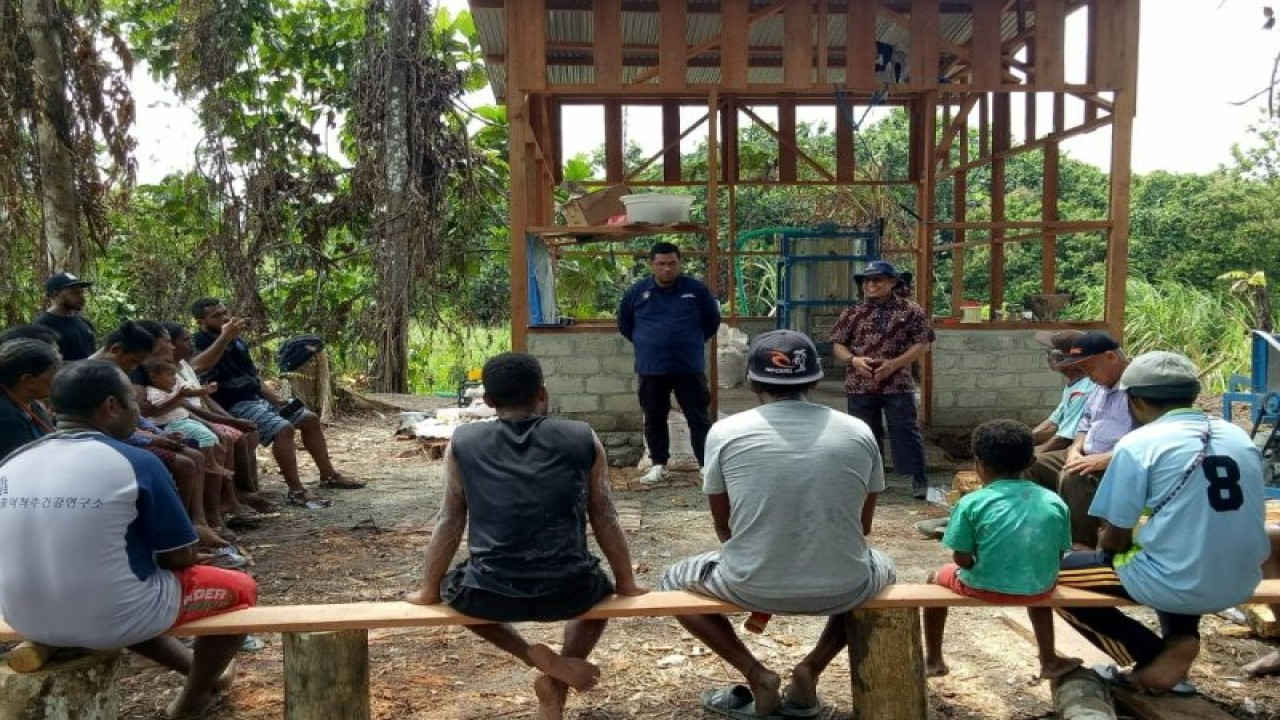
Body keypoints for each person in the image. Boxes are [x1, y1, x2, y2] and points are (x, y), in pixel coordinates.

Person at [658, 330, 895, 719]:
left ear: (752, 381)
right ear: (816, 380)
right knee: (881, 566)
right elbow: (863, 526)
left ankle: (756, 674)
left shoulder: (724, 433)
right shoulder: (858, 431)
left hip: (750, 584)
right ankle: (811, 668)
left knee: (671, 580)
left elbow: (725, 526)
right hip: (844, 586)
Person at [0, 360, 257, 719]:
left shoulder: (12, 462)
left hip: (22, 615)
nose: (138, 413)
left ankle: (192, 671)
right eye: (133, 404)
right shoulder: (135, 461)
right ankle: (194, 699)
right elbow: (178, 557)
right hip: (108, 612)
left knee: (117, 585)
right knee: (239, 587)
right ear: (111, 406)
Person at [405, 352, 645, 720]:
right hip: (570, 589)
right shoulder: (582, 436)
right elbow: (605, 514)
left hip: (491, 591)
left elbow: (450, 520)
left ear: (487, 402)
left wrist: (428, 590)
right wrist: (626, 583)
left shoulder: (463, 442)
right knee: (602, 588)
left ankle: (532, 655)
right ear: (542, 394)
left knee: (454, 593)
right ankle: (561, 672)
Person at [1056, 351, 1268, 693]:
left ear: (1134, 401)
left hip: (1179, 580)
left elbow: (1115, 540)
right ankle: (1181, 637)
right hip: (1240, 579)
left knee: (1049, 580)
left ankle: (1153, 657)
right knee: (1178, 543)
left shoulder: (1138, 444)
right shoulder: (1238, 437)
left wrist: (1104, 548)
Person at [923, 419, 1080, 680]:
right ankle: (1049, 659)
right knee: (1035, 582)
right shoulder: (1054, 501)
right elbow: (1059, 553)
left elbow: (961, 560)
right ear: (1031, 462)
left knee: (932, 579)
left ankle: (934, 660)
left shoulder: (972, 502)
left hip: (984, 587)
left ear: (978, 464)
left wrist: (979, 567)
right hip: (1040, 586)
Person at [189, 297, 362, 508]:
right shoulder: (199, 342)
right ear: (200, 322)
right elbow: (197, 368)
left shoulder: (237, 339)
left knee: (309, 419)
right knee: (283, 429)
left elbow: (252, 377)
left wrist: (276, 399)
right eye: (216, 316)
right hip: (233, 404)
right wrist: (225, 337)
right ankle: (296, 491)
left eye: (225, 312)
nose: (224, 318)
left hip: (255, 397)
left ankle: (329, 475)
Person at [829, 260, 933, 499]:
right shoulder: (853, 312)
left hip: (897, 383)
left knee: (905, 431)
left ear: (892, 282)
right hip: (860, 383)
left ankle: (917, 480)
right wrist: (853, 361)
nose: (871, 284)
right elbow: (838, 345)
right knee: (864, 433)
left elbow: (923, 345)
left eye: (877, 279)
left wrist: (894, 364)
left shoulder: (911, 311)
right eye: (867, 280)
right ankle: (869, 480)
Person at [618, 242, 720, 485]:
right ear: (651, 265)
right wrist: (649, 342)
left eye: (671, 263)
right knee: (654, 418)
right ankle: (658, 465)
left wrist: (689, 342)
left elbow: (711, 322)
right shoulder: (637, 292)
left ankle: (705, 465)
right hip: (652, 368)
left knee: (698, 417)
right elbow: (625, 325)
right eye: (661, 264)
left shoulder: (696, 291)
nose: (666, 269)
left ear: (679, 263)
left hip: (688, 366)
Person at [1025, 331, 1134, 546]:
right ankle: (1046, 528)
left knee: (1072, 477)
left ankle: (1082, 543)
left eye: (1089, 367)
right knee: (1031, 465)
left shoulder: (1137, 390)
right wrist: (1076, 450)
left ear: (1111, 357)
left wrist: (1103, 459)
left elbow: (1146, 439)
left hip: (1118, 459)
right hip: (1086, 451)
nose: (1087, 374)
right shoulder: (1099, 389)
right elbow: (1084, 425)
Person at [1030, 330, 1097, 454]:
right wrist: (1018, 442)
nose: (1048, 356)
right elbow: (1051, 425)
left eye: (1054, 353)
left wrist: (1028, 456)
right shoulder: (1075, 385)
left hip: (1084, 451)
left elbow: (1063, 440)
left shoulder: (1085, 390)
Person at [0, 339, 60, 459]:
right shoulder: (7, 419)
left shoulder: (31, 403)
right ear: (28, 380)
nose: (59, 380)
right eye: (55, 375)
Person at [33, 272, 96, 361]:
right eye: (75, 293)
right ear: (56, 294)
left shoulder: (85, 323)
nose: (81, 297)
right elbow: (44, 365)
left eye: (81, 292)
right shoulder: (43, 325)